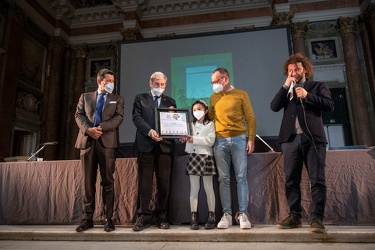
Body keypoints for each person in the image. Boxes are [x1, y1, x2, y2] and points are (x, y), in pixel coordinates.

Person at [270, 53, 334, 233]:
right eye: (290, 70)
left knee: (317, 180)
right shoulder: (287, 90)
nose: (294, 73)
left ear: (305, 69)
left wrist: (308, 96)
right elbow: (274, 107)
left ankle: (316, 218)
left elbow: (329, 105)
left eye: (297, 69)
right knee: (291, 180)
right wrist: (284, 86)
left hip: (313, 139)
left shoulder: (317, 86)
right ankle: (295, 215)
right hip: (290, 140)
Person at [75, 69, 124, 232]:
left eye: (113, 81)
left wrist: (99, 128)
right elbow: (78, 116)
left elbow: (118, 118)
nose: (111, 84)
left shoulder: (117, 99)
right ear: (99, 81)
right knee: (87, 183)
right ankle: (86, 218)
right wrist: (89, 130)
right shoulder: (85, 96)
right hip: (87, 142)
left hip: (106, 143)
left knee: (108, 182)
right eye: (108, 81)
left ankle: (108, 218)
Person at [209, 67, 256, 229]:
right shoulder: (213, 97)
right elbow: (210, 117)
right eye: (212, 82)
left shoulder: (241, 94)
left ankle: (243, 214)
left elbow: (250, 118)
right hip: (219, 141)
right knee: (223, 179)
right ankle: (227, 214)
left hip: (239, 139)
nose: (214, 85)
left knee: (241, 177)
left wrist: (251, 139)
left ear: (225, 79)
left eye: (216, 81)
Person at [132, 71, 177, 231]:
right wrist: (150, 132)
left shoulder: (170, 101)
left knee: (164, 184)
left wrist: (174, 119)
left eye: (162, 85)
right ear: (151, 84)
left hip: (165, 147)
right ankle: (143, 216)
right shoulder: (140, 98)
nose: (159, 87)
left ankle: (162, 216)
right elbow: (136, 118)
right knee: (144, 183)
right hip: (146, 145)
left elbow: (174, 124)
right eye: (156, 84)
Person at [179, 100, 216, 230]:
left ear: (206, 110)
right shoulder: (189, 125)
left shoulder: (211, 124)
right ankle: (193, 217)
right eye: (194, 110)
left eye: (199, 109)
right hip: (193, 157)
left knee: (208, 187)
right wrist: (184, 139)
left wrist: (193, 139)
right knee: (194, 189)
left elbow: (210, 141)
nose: (197, 112)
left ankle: (212, 216)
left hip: (206, 156)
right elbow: (186, 139)